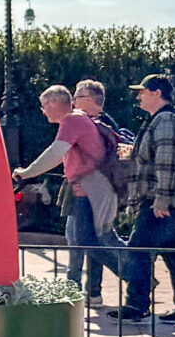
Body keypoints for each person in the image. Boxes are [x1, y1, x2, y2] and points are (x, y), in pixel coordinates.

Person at [12, 83, 119, 302]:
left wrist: (27, 172)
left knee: (85, 239)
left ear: (53, 102)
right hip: (85, 186)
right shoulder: (78, 120)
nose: (42, 111)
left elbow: (55, 152)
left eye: (43, 105)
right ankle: (86, 289)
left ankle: (135, 275)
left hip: (87, 188)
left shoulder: (73, 120)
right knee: (82, 238)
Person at [109, 73, 175, 323]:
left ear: (157, 93)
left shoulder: (165, 121)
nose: (138, 96)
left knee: (138, 249)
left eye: (142, 91)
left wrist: (162, 199)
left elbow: (167, 162)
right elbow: (159, 155)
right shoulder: (165, 119)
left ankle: (137, 305)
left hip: (165, 202)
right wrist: (135, 152)